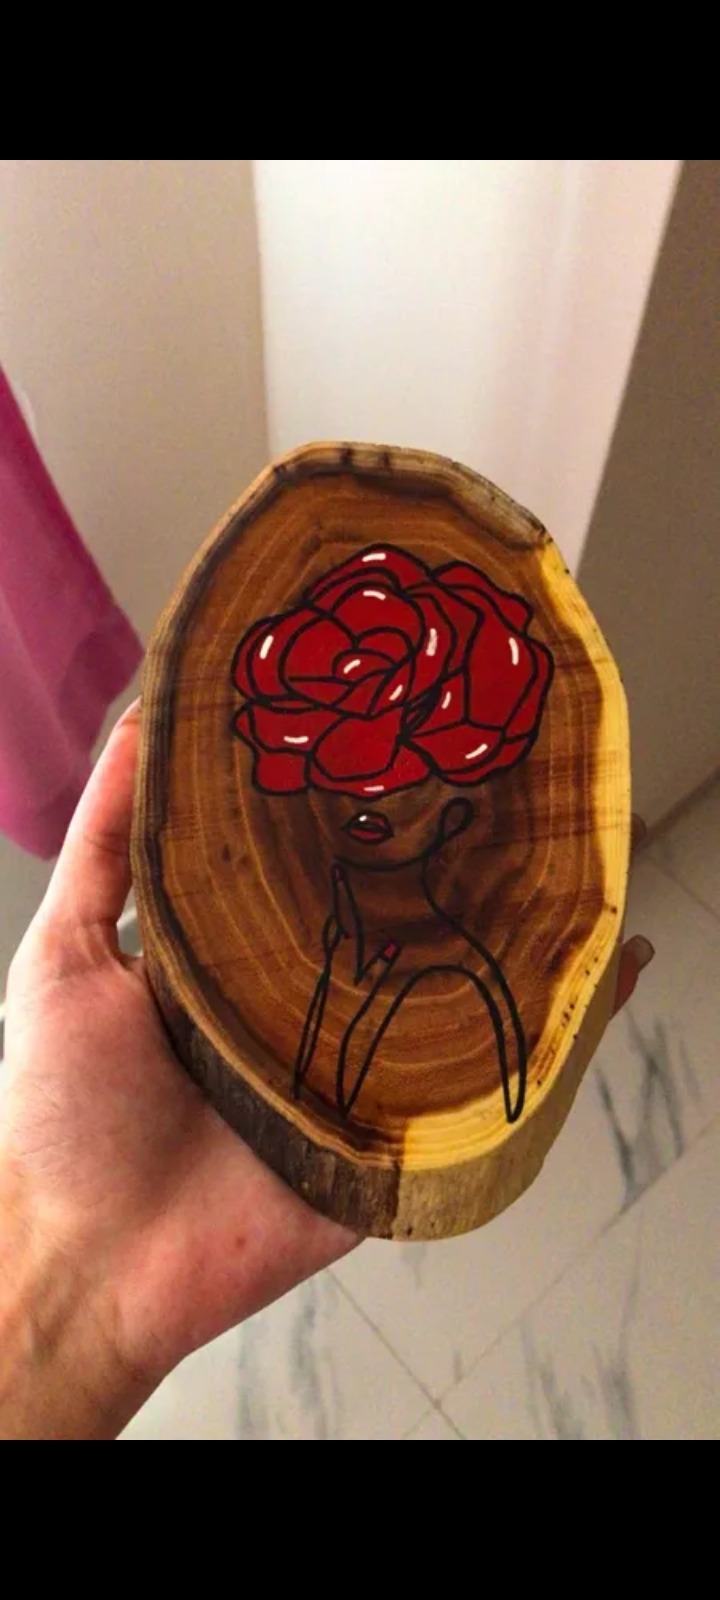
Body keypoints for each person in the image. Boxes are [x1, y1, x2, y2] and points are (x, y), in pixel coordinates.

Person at [0, 702, 654, 1440]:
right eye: (332, 804)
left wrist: (69, 1285)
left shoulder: (462, 1002)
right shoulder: (289, 963)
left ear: (449, 825)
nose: (345, 829)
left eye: (377, 818)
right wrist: (63, 1266)